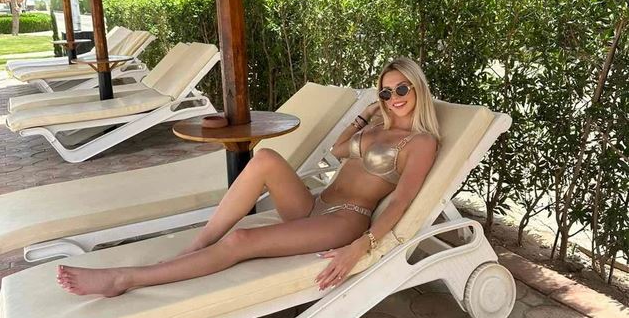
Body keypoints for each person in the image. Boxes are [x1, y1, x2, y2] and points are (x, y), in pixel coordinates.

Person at [57, 57, 440, 298]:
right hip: (316, 204)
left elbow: (401, 201)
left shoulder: (421, 142)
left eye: (401, 89)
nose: (394, 97)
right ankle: (200, 243)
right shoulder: (378, 124)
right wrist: (365, 114)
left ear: (417, 88)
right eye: (385, 92)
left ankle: (126, 279)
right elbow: (339, 150)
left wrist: (361, 247)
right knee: (265, 158)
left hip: (344, 220)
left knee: (242, 239)